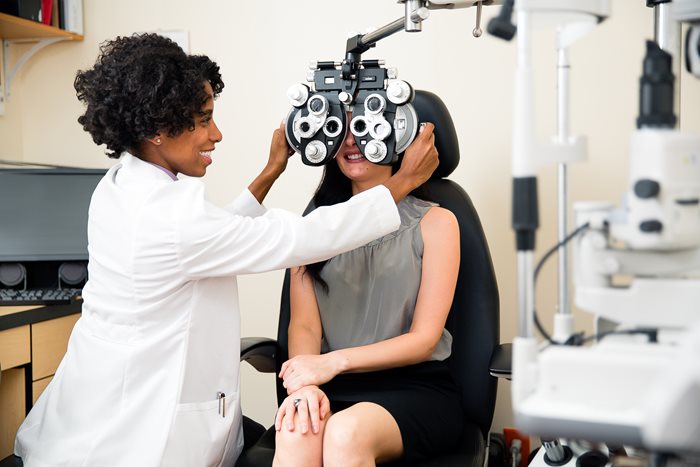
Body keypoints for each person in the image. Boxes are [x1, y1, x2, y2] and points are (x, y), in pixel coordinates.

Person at [12, 33, 439, 467]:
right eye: (203, 120)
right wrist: (402, 183)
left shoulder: (120, 187)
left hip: (98, 400)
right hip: (140, 429)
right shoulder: (172, 220)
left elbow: (215, 236)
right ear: (158, 130)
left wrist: (271, 172)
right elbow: (296, 239)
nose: (216, 134)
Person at [272, 124, 463, 466]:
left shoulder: (437, 222)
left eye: (363, 127)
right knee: (296, 429)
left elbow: (424, 340)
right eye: (338, 129)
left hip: (414, 389)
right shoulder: (314, 229)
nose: (350, 141)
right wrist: (304, 389)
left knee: (346, 432)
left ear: (397, 135)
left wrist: (333, 362)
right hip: (332, 385)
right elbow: (304, 327)